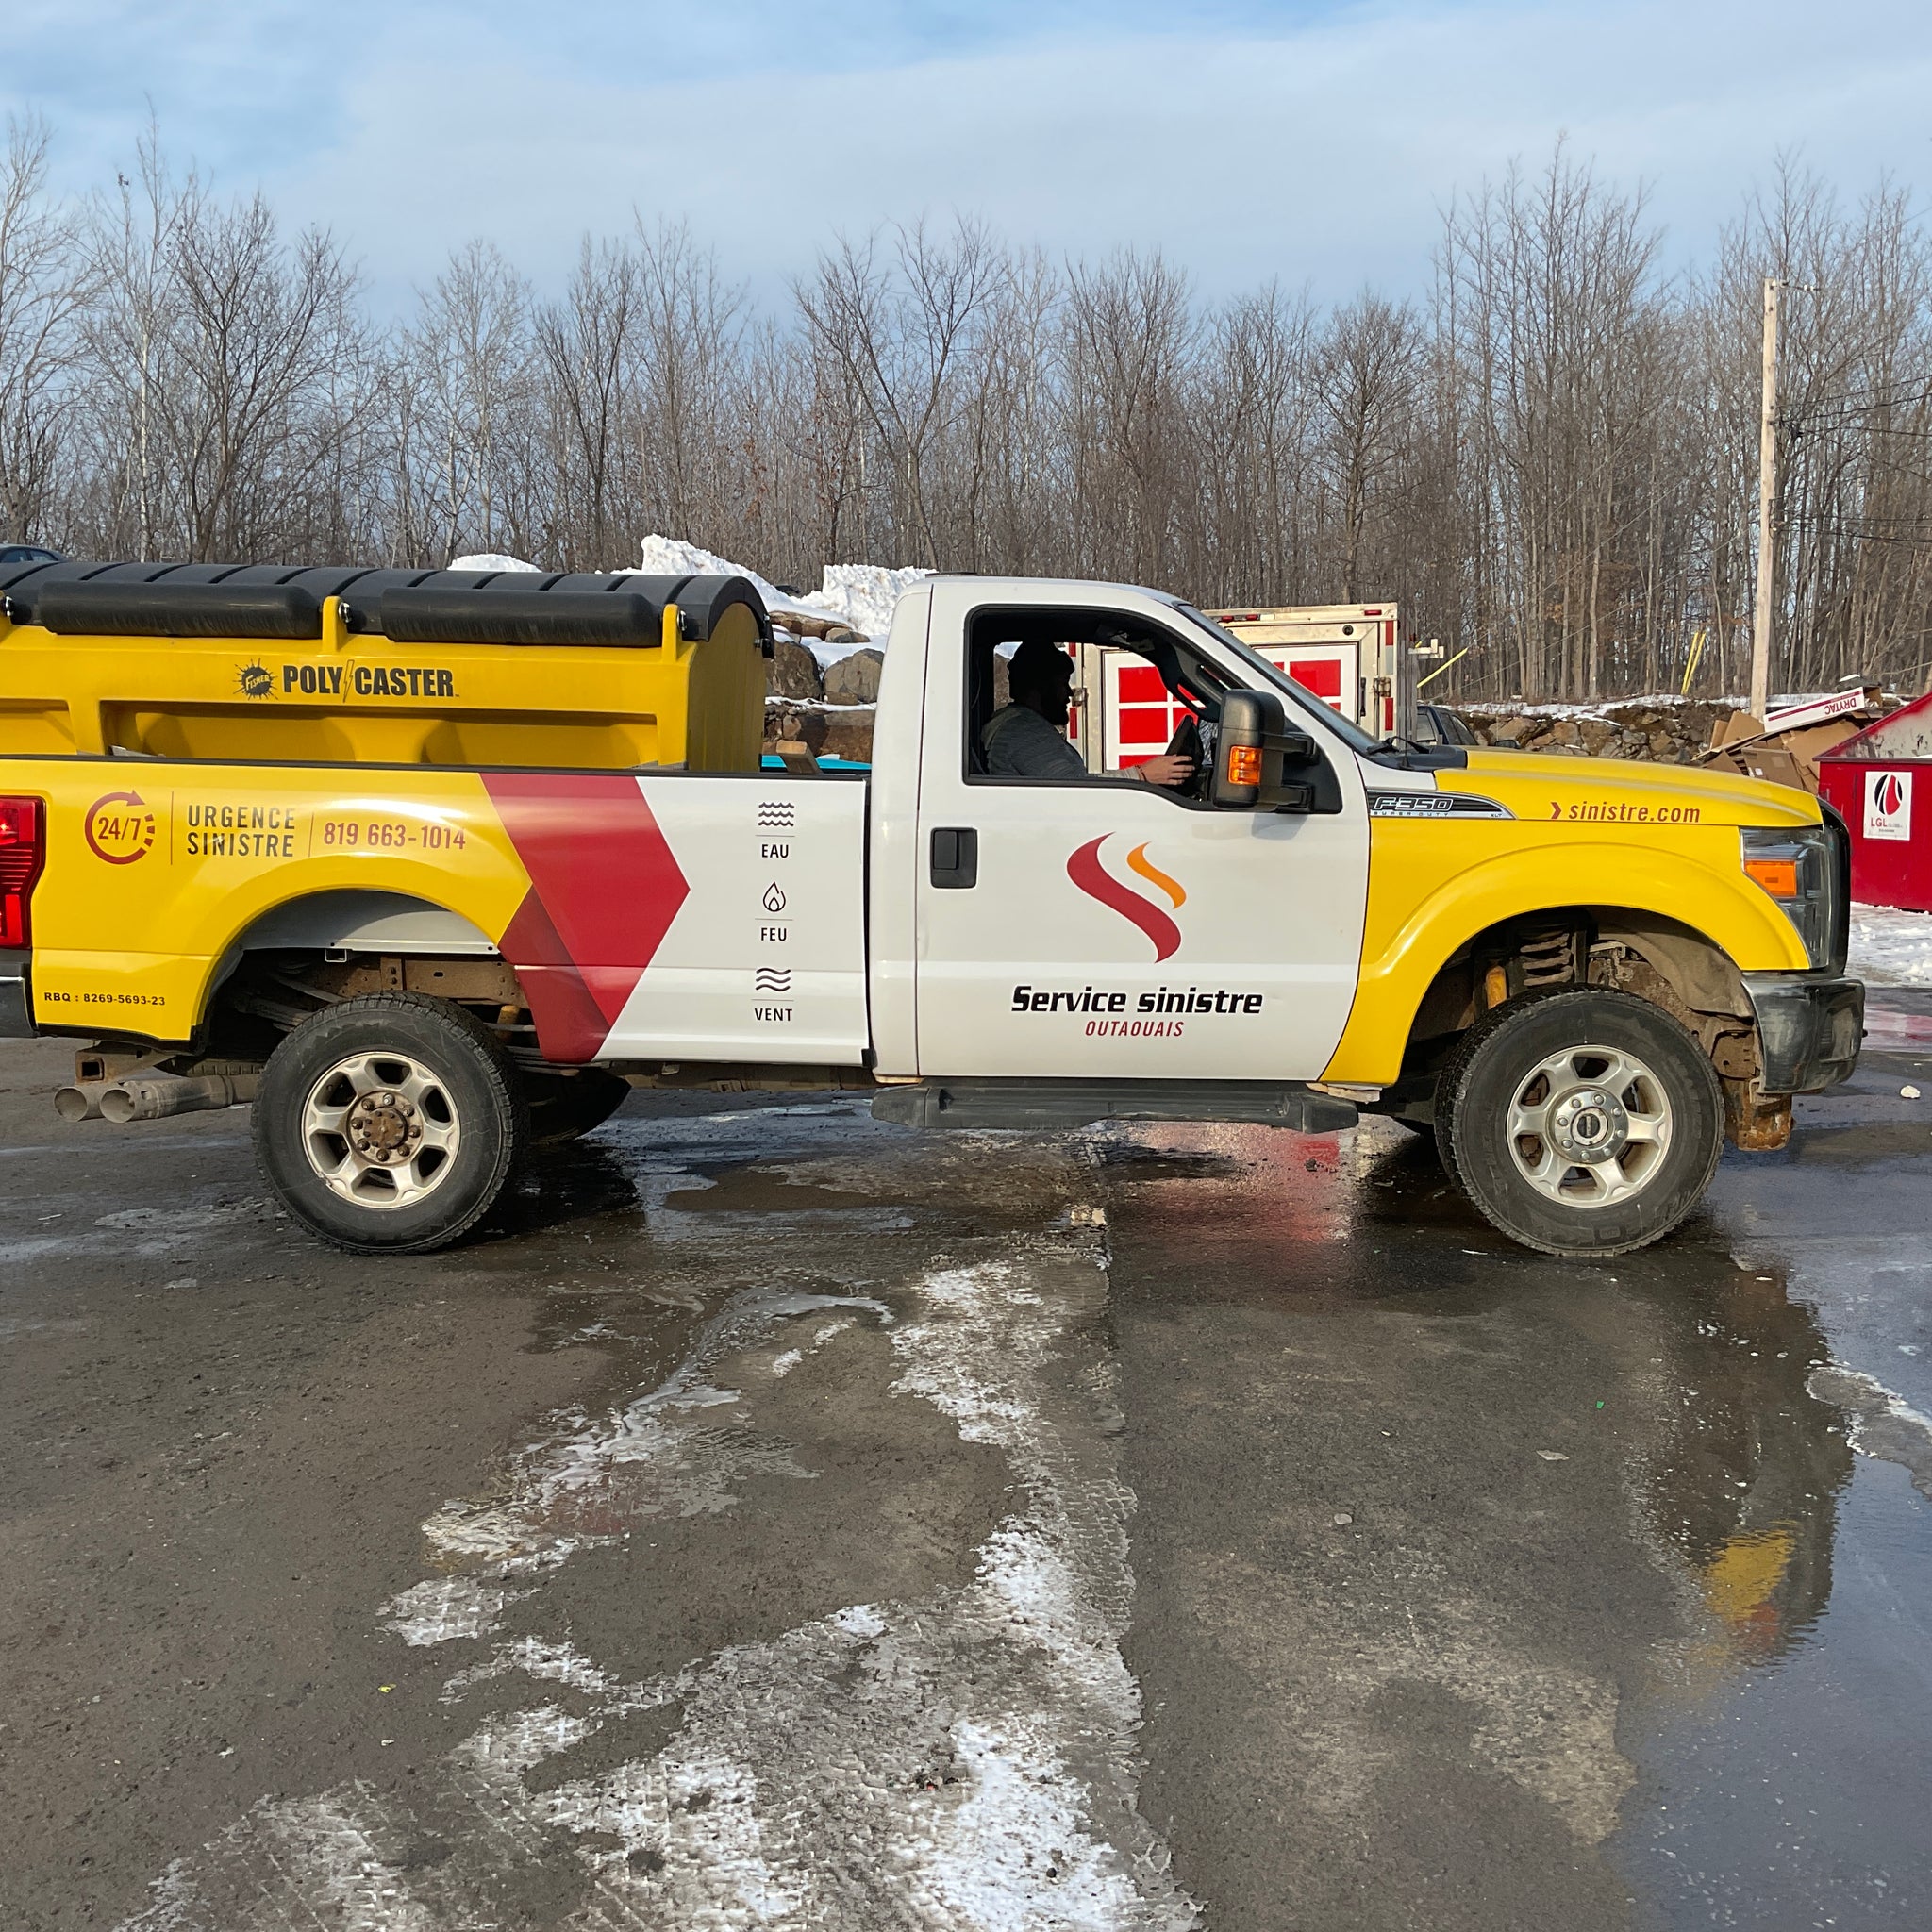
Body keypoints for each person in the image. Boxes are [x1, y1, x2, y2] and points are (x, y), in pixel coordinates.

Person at [982, 640, 1195, 786]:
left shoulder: (1014, 724)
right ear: (1041, 687)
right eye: (1062, 683)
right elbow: (1077, 790)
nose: (1068, 693)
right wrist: (1142, 775)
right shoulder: (1023, 732)